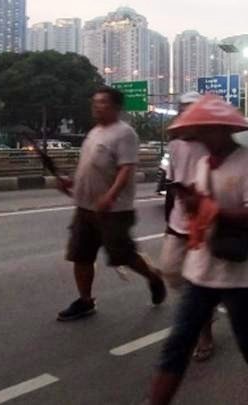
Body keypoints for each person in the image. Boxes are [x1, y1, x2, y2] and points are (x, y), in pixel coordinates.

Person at [150, 95, 248, 405]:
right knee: (178, 343)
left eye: (205, 130)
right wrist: (193, 205)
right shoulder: (203, 164)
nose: (200, 137)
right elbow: (200, 210)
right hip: (201, 270)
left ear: (223, 129)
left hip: (239, 274)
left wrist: (212, 209)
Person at [57, 87, 166, 321]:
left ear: (116, 107)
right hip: (85, 207)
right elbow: (87, 166)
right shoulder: (93, 133)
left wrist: (110, 196)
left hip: (114, 210)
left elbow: (126, 169)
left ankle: (153, 276)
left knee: (123, 255)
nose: (97, 107)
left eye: (103, 102)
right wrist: (71, 182)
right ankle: (85, 300)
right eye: (95, 102)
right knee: (80, 255)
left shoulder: (125, 133)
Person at [158, 91, 216, 362]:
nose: (185, 117)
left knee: (198, 279)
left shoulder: (213, 148)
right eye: (182, 111)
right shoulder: (175, 146)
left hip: (205, 225)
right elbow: (172, 185)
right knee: (170, 270)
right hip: (178, 222)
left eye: (190, 111)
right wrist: (168, 222)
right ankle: (203, 306)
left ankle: (205, 333)